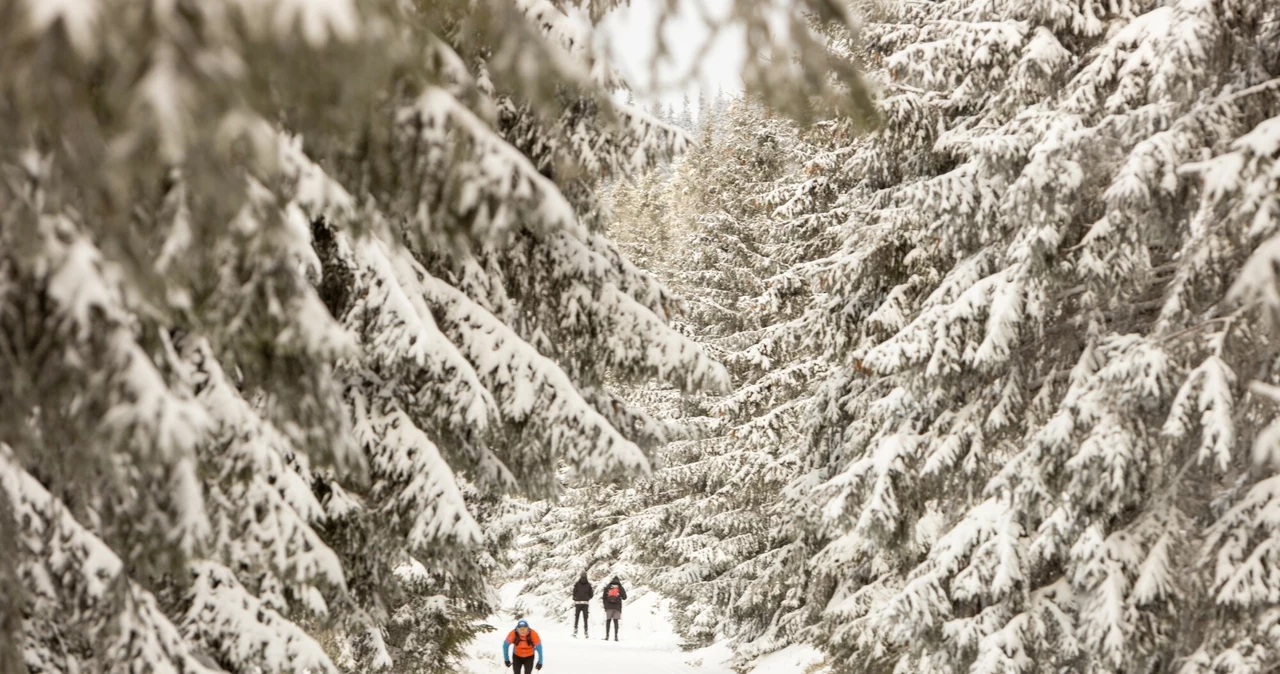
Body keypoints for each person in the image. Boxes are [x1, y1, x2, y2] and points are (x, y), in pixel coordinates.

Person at [600, 575, 627, 642]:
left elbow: (604, 597)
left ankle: (607, 636)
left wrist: (605, 606)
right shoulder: (620, 587)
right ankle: (616, 636)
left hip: (609, 606)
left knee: (608, 621)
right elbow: (625, 597)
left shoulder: (608, 587)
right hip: (617, 607)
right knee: (616, 621)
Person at [572, 573, 593, 638]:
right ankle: (586, 632)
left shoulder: (577, 584)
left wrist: (575, 598)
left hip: (578, 602)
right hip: (585, 603)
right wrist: (587, 598)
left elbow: (574, 592)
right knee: (585, 618)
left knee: (577, 617)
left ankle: (575, 631)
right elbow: (591, 594)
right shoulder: (588, 585)